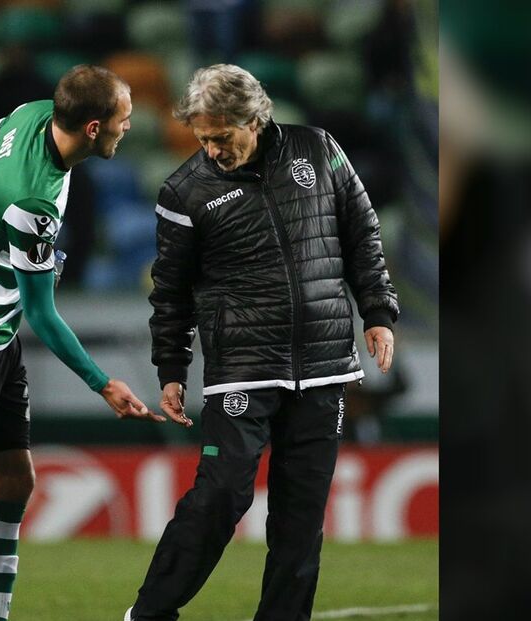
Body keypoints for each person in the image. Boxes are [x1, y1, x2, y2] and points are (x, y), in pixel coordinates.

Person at [0, 65, 187, 621]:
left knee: (15, 481)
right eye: (123, 116)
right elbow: (44, 317)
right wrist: (104, 384)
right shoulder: (33, 203)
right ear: (93, 128)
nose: (130, 123)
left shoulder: (28, 116)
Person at [124, 64, 399, 621]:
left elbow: (360, 232)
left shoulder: (318, 150)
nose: (213, 150)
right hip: (242, 369)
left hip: (324, 366)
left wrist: (378, 311)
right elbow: (170, 292)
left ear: (256, 118)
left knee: (301, 517)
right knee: (221, 494)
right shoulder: (184, 189)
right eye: (203, 140)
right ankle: (149, 613)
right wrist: (171, 368)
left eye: (222, 138)